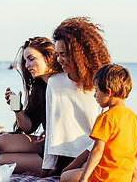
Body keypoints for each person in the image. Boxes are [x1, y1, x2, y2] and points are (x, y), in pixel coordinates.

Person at [41, 17, 111, 177]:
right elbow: (52, 129)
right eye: (57, 55)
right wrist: (45, 171)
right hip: (63, 158)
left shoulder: (100, 86)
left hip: (92, 156)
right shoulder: (54, 83)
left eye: (64, 54)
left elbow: (106, 136)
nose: (59, 60)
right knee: (5, 155)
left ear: (80, 55)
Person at [60, 64, 137, 182]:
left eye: (96, 90)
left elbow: (97, 151)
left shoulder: (105, 117)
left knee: (64, 176)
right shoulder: (133, 117)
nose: (95, 95)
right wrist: (129, 161)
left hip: (104, 177)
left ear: (108, 92)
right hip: (124, 174)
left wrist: (84, 178)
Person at [0, 37, 62, 175]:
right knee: (0, 143)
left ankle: (54, 169)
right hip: (46, 144)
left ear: (48, 58)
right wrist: (17, 108)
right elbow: (29, 127)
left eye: (31, 59)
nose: (26, 65)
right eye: (25, 61)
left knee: (3, 161)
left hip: (62, 149)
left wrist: (52, 134)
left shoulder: (63, 85)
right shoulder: (40, 88)